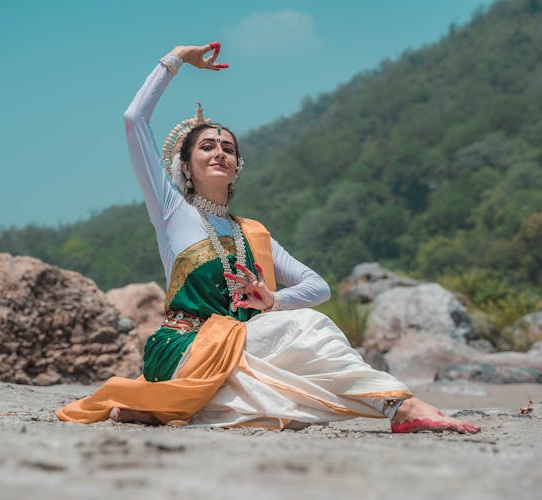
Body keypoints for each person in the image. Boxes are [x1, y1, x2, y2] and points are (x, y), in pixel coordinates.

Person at [56, 42, 480, 434]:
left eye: (227, 147)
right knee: (309, 329)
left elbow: (318, 286)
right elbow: (134, 121)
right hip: (184, 347)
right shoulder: (171, 212)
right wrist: (178, 59)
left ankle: (165, 408)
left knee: (287, 408)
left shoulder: (251, 232)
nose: (219, 151)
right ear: (185, 165)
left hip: (241, 346)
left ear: (238, 165)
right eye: (206, 147)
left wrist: (273, 300)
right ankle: (402, 407)